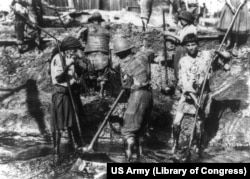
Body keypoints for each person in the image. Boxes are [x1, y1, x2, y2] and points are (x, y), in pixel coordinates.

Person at [171, 33, 230, 156]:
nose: (191, 47)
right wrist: (194, 98)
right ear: (185, 47)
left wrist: (219, 55)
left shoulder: (206, 56)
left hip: (203, 94)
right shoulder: (183, 61)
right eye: (188, 45)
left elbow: (227, 59)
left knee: (199, 124)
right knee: (176, 122)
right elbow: (185, 83)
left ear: (198, 45)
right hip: (188, 96)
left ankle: (198, 147)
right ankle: (175, 143)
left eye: (193, 44)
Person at [113, 36, 153, 162]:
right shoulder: (142, 57)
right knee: (140, 130)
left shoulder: (125, 65)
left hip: (137, 95)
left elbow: (126, 85)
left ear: (119, 54)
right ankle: (140, 157)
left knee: (127, 130)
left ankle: (129, 159)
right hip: (149, 95)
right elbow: (149, 52)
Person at [50, 36, 86, 163]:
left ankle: (75, 149)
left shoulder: (70, 58)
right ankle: (56, 152)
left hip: (70, 93)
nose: (74, 52)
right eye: (73, 49)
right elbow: (59, 78)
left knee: (72, 123)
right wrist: (68, 66)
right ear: (67, 49)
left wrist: (77, 66)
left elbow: (76, 76)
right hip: (60, 94)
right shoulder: (58, 59)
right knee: (59, 124)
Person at [164, 11, 197, 98]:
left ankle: (181, 92)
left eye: (183, 19)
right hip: (180, 49)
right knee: (176, 68)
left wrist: (169, 34)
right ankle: (178, 89)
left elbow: (181, 39)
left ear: (187, 20)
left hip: (184, 49)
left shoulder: (191, 28)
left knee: (182, 69)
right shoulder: (185, 28)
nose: (181, 21)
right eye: (181, 19)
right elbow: (178, 38)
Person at [77, 11, 110, 97]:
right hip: (103, 54)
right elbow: (108, 42)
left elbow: (81, 40)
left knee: (90, 73)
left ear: (91, 20)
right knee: (103, 75)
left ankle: (92, 90)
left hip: (90, 54)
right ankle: (102, 91)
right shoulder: (106, 30)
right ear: (100, 21)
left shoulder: (87, 28)